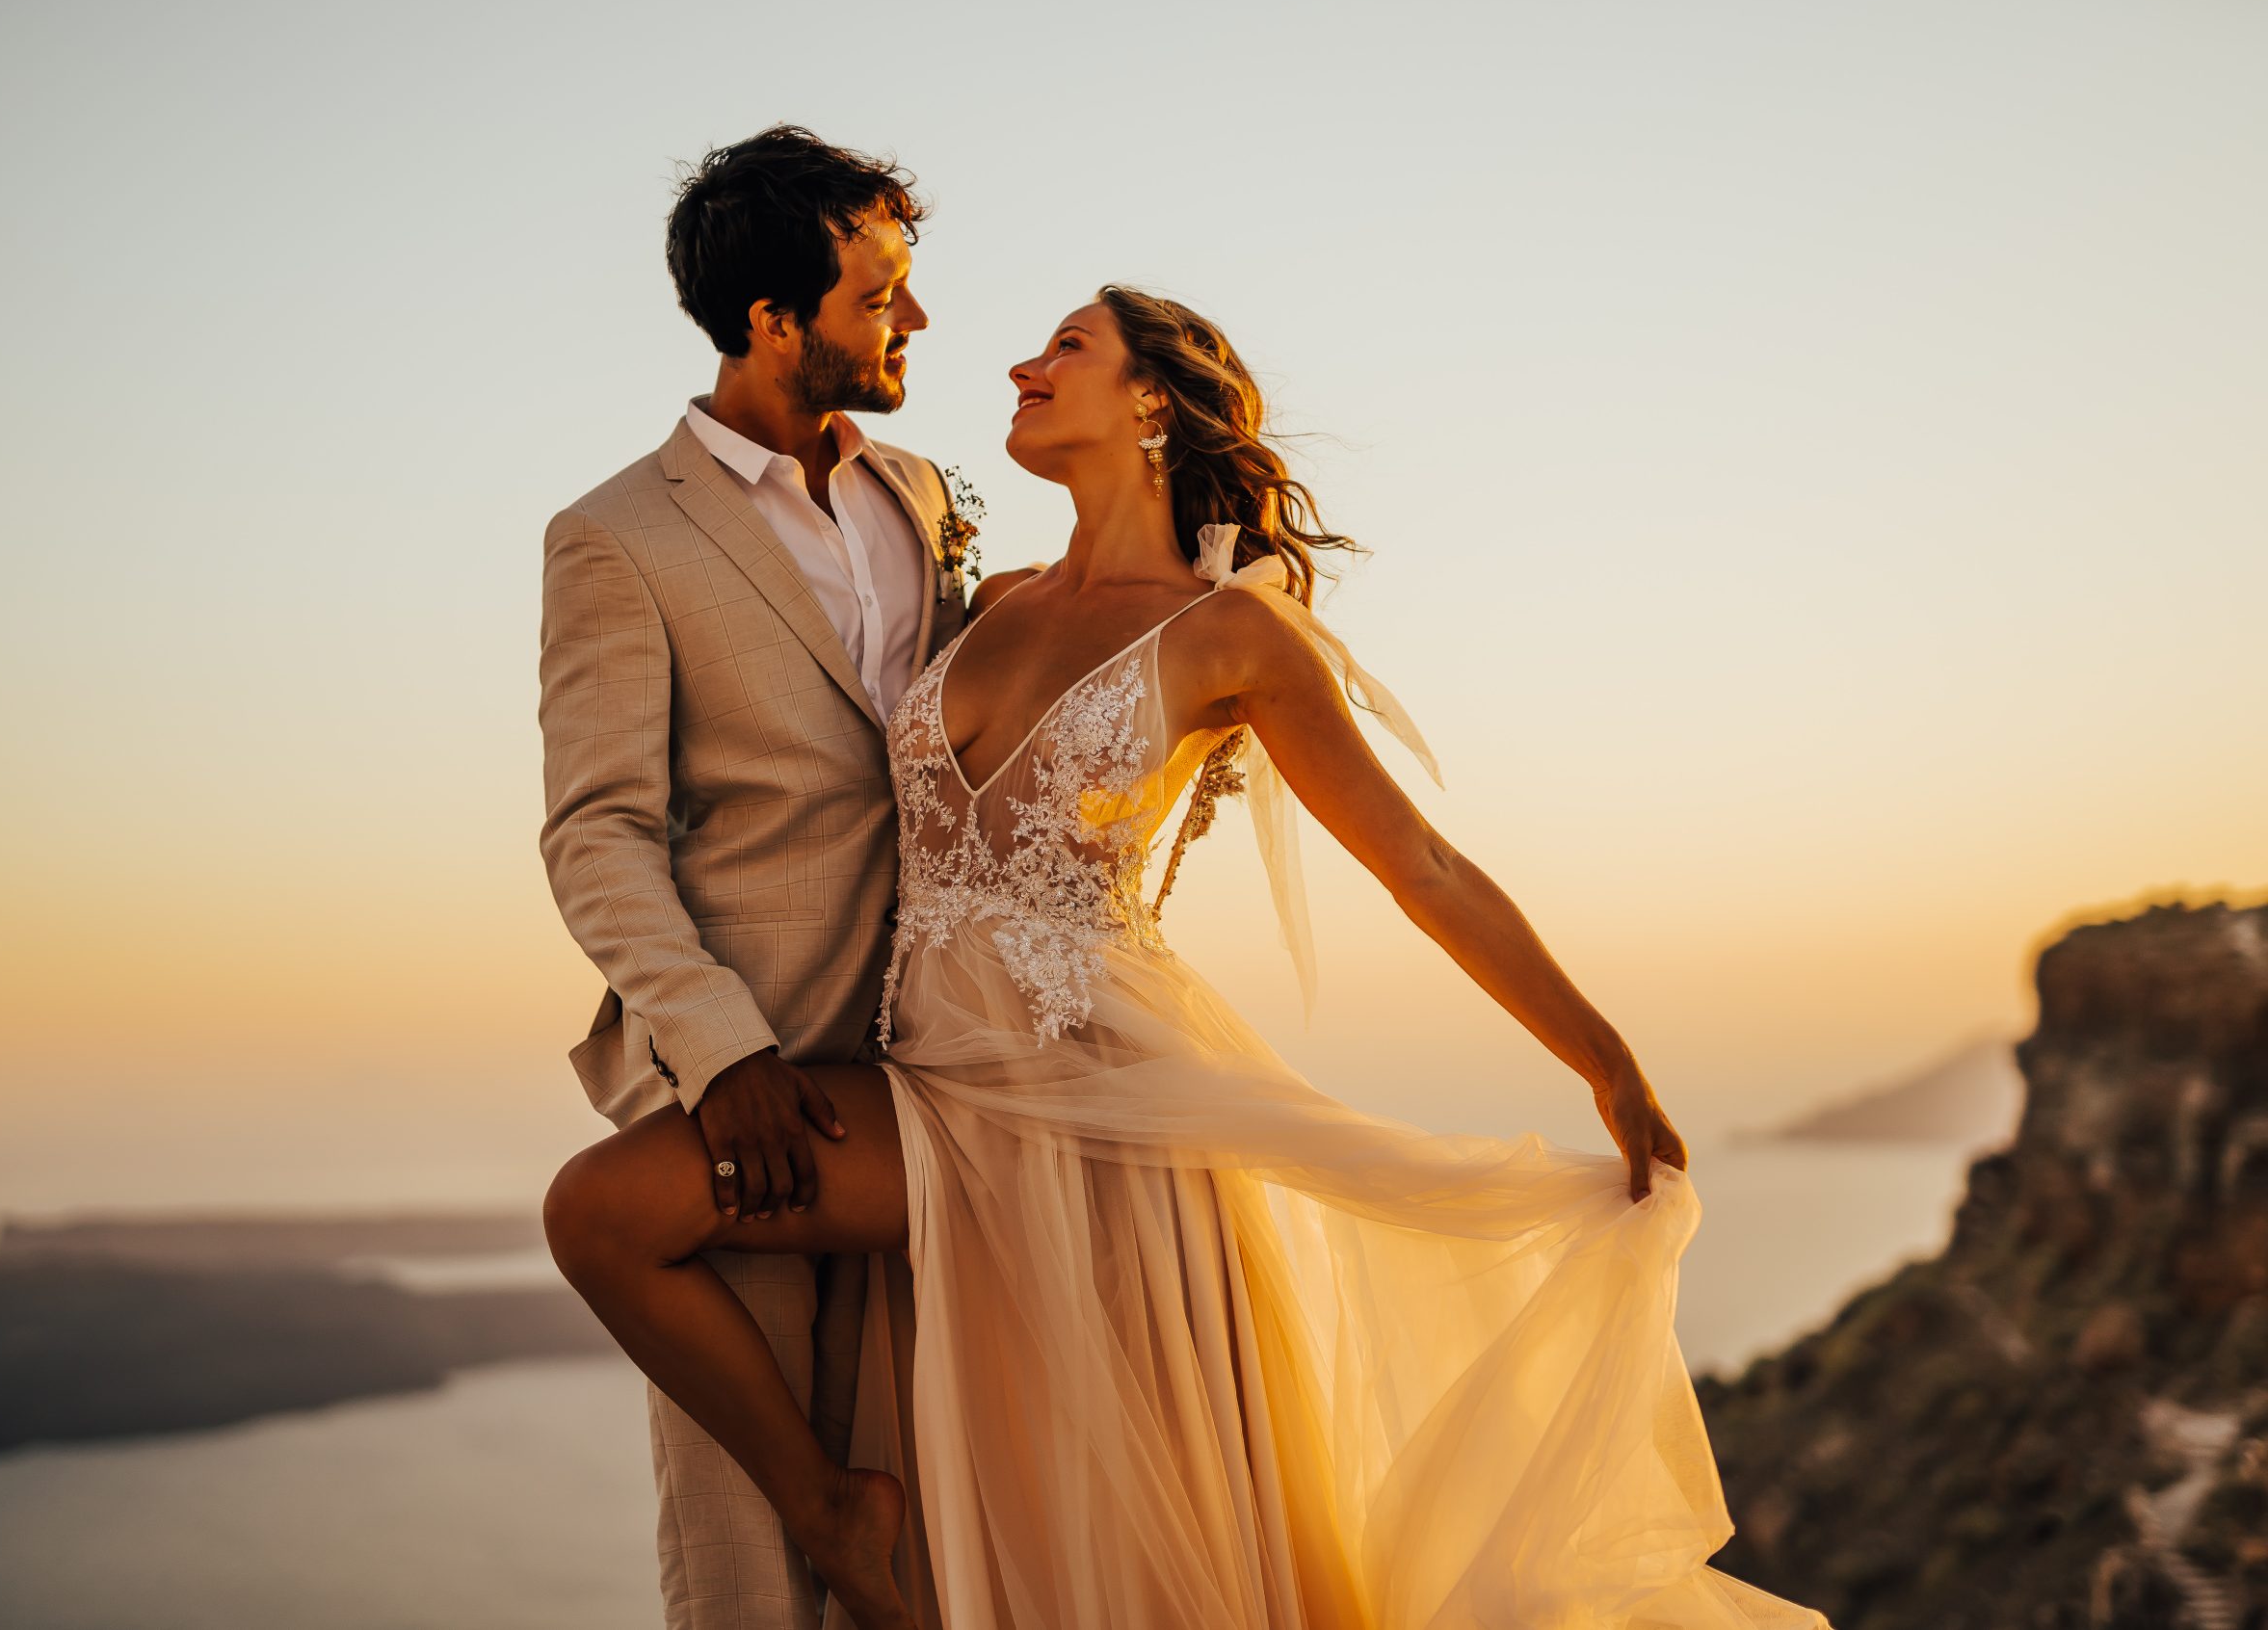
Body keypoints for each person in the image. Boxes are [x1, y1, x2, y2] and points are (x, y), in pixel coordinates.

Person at [544, 285, 1836, 1629]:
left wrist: (1607, 1061)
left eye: (1067, 349)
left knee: (1139, 1568)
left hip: (1116, 1133)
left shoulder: (1232, 635)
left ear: (1151, 398)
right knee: (607, 1212)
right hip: (933, 1097)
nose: (1021, 364)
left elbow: (1423, 867)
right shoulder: (979, 594)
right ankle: (828, 1507)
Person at [534, 124, 963, 1630]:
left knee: (952, 1514)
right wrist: (722, 1055)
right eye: (879, 293)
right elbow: (595, 832)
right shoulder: (614, 538)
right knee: (756, 1568)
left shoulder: (917, 495)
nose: (914, 319)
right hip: (754, 1090)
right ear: (774, 321)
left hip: (937, 1071)